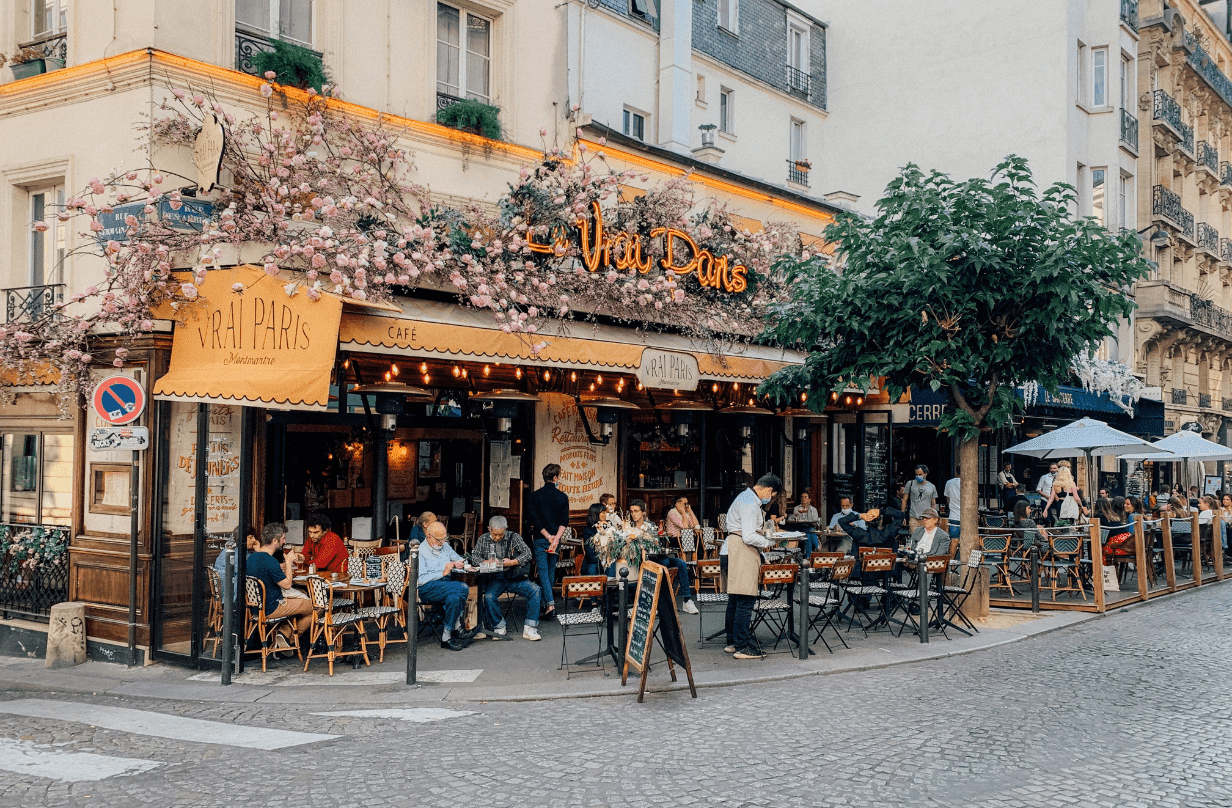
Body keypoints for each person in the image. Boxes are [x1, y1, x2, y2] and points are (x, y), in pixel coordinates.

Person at [722, 473, 782, 660]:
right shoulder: (750, 503)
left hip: (732, 548)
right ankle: (742, 646)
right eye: (772, 495)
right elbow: (748, 536)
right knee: (745, 600)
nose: (770, 499)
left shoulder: (744, 497)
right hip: (741, 548)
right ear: (769, 490)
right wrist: (768, 541)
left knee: (735, 599)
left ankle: (732, 641)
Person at [468, 515, 541, 641]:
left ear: (505, 529)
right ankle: (499, 625)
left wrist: (513, 562)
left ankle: (530, 628)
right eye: (494, 534)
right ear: (489, 529)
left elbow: (528, 554)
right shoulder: (483, 539)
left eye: (500, 534)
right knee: (489, 597)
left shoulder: (514, 537)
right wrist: (487, 562)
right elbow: (474, 558)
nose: (497, 537)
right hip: (496, 578)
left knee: (535, 590)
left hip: (514, 576)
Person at [247, 522, 312, 651]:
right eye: (283, 538)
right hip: (272, 608)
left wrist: (282, 565)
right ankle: (286, 637)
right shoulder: (270, 561)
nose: (284, 541)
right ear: (275, 540)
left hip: (255, 608)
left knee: (300, 592)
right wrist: (288, 562)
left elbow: (268, 570)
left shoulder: (253, 557)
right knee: (315, 606)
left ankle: (283, 634)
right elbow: (287, 585)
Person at [628, 499, 698, 615]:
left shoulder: (650, 525)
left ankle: (687, 600)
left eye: (636, 511)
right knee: (664, 562)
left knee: (681, 563)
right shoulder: (630, 527)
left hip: (656, 556)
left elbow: (657, 544)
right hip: (642, 560)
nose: (633, 514)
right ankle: (660, 602)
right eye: (631, 512)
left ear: (643, 512)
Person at [418, 521, 478, 650]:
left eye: (445, 538)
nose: (442, 542)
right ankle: (457, 627)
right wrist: (443, 572)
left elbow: (457, 558)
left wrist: (461, 564)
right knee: (462, 588)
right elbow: (421, 580)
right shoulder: (420, 551)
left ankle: (446, 637)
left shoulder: (444, 546)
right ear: (428, 536)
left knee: (454, 598)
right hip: (428, 588)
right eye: (439, 540)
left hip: (446, 586)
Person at [526, 463, 569, 621]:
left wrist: (547, 536)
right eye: (560, 475)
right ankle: (549, 603)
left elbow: (534, 519)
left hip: (540, 538)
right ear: (555, 477)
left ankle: (549, 604)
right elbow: (564, 521)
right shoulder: (562, 497)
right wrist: (555, 539)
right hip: (555, 540)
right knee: (550, 570)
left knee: (543, 571)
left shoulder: (534, 496)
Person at [214, 526, 259, 595]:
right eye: (251, 537)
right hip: (229, 591)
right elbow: (248, 569)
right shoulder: (232, 552)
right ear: (242, 538)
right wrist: (258, 552)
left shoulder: (241, 550)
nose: (254, 540)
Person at [1043, 461, 1085, 526]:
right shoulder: (1071, 483)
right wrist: (1081, 506)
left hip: (1059, 504)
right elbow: (1076, 497)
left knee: (1061, 523)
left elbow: (1051, 498)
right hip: (1070, 505)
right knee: (1070, 524)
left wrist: (1046, 509)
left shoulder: (1055, 484)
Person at [901, 464, 937, 532]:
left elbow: (933, 503)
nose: (918, 476)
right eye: (916, 474)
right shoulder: (910, 483)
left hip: (927, 518)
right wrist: (902, 515)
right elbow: (904, 500)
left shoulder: (931, 487)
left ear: (925, 474)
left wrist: (933, 517)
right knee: (914, 539)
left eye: (920, 474)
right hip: (914, 518)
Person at [580, 502, 606, 575]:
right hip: (594, 561)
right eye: (603, 513)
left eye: (605, 513)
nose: (605, 515)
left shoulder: (609, 527)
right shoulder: (588, 530)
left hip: (607, 560)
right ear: (596, 514)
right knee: (593, 568)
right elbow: (590, 552)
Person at [943, 469, 962, 542]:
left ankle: (952, 554)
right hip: (967, 518)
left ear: (956, 471)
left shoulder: (949, 483)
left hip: (954, 516)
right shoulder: (969, 483)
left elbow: (948, 498)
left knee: (954, 541)